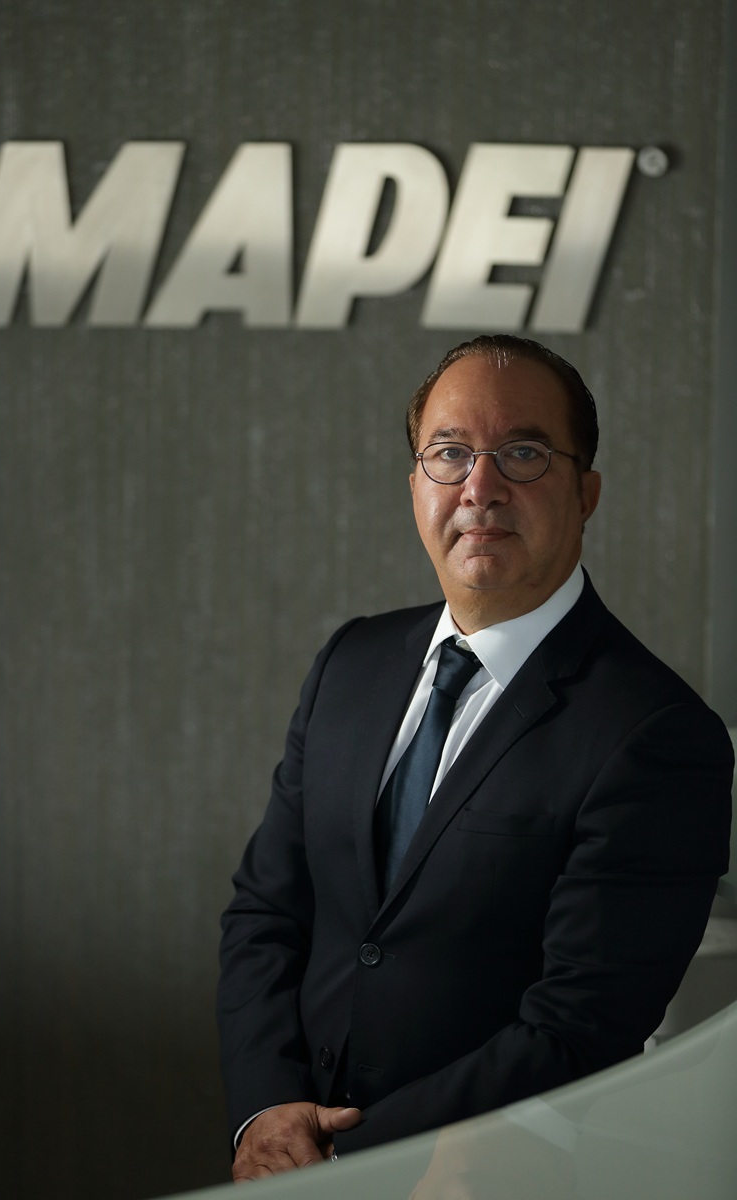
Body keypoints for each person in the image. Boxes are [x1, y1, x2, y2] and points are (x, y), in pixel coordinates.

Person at [217, 334, 733, 1181]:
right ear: (415, 486)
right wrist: (266, 1112)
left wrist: (344, 1156)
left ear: (586, 492)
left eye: (523, 453)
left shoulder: (657, 733)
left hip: (487, 1176)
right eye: (449, 454)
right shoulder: (350, 663)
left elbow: (580, 1025)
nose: (479, 488)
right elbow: (266, 911)